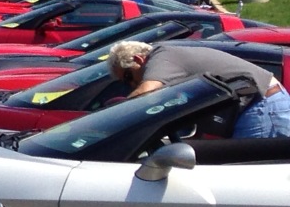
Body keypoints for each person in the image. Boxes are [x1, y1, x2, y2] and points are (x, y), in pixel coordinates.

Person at [109, 38, 290, 137]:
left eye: (128, 77)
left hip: (263, 106)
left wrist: (110, 121)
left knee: (253, 184)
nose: (131, 85)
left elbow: (147, 93)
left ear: (139, 60)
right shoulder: (169, 62)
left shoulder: (161, 56)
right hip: (254, 107)